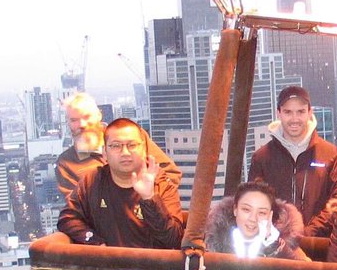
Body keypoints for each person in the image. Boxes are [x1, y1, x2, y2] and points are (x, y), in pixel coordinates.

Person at [58, 117, 184, 249]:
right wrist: (95, 242)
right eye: (116, 146)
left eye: (132, 145)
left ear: (144, 149)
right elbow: (67, 218)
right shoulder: (93, 181)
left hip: (152, 267)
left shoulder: (160, 182)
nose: (125, 153)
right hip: (108, 266)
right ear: (104, 153)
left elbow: (173, 240)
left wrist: (149, 198)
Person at [248, 85, 337, 238]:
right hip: (276, 246)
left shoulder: (330, 154)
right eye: (288, 112)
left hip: (321, 246)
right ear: (279, 114)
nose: (294, 119)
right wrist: (280, 234)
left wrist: (309, 232)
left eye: (300, 112)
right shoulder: (262, 157)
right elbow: (254, 202)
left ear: (310, 113)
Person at [55, 92, 182, 214]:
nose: (82, 125)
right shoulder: (66, 163)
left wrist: (146, 203)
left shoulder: (134, 136)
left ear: (99, 115)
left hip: (151, 219)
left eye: (87, 117)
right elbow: (78, 207)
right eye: (74, 120)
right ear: (67, 123)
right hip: (108, 230)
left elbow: (171, 174)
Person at [204, 180, 308, 260]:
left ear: (270, 215)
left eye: (261, 213)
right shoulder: (214, 242)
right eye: (246, 210)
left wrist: (274, 246)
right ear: (235, 210)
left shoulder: (284, 244)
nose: (253, 219)